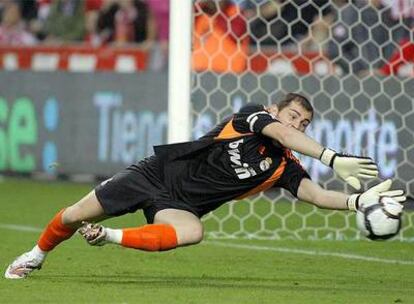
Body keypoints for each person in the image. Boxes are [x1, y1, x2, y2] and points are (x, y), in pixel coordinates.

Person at [5, 93, 406, 279]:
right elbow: (280, 133)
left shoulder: (283, 166)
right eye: (293, 117)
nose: (297, 126)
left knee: (193, 232)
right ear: (274, 111)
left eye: (304, 124)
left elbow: (315, 196)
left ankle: (106, 235)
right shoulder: (249, 118)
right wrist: (332, 157)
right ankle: (36, 255)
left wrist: (356, 201)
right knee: (73, 214)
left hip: (178, 205)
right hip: (153, 174)